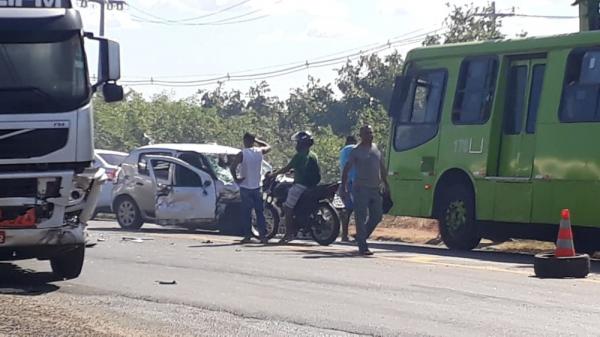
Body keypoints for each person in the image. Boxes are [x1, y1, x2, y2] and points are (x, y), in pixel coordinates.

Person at [341, 125, 389, 256]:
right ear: (361, 135)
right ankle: (363, 246)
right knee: (360, 217)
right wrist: (343, 187)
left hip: (375, 188)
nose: (370, 135)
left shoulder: (375, 148)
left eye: (371, 132)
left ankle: (361, 237)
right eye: (367, 133)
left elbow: (382, 167)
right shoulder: (356, 151)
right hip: (361, 188)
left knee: (377, 216)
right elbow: (346, 169)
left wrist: (386, 184)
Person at [272, 131, 321, 244]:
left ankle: (288, 234)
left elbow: (286, 168)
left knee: (288, 207)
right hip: (312, 185)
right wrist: (295, 170)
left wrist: (273, 174)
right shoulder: (313, 155)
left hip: (301, 185)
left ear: (301, 144)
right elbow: (306, 167)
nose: (296, 145)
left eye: (297, 143)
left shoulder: (299, 156)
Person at [230, 132, 271, 244]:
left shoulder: (242, 154)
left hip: (245, 186)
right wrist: (257, 140)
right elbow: (269, 146)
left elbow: (232, 167)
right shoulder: (259, 151)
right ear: (253, 141)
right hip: (257, 186)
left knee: (246, 213)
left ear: (244, 141)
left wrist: (236, 179)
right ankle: (263, 236)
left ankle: (247, 236)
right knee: (260, 212)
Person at [339, 135, 357, 242]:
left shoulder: (342, 151)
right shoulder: (353, 148)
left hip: (345, 182)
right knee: (357, 208)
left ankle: (344, 234)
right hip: (354, 181)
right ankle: (358, 234)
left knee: (349, 209)